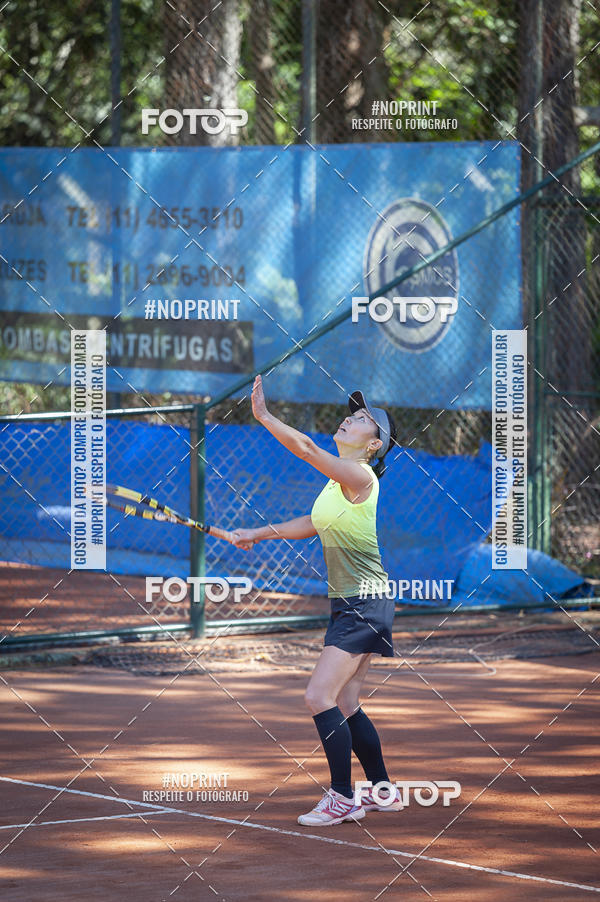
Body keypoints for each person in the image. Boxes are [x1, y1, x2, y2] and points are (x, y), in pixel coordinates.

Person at [232, 374, 402, 826]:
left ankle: (343, 797)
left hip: (364, 603)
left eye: (363, 419)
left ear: (373, 445)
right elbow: (313, 521)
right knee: (346, 701)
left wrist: (264, 416)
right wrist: (257, 533)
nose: (351, 419)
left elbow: (306, 448)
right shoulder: (337, 484)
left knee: (317, 695)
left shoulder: (359, 474)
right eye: (353, 413)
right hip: (354, 602)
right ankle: (382, 790)